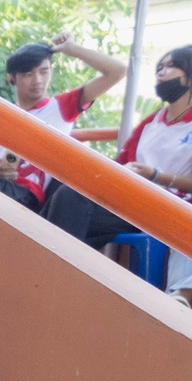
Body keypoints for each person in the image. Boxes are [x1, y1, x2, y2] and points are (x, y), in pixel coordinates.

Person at [45, 46, 192, 296]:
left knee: (73, 200)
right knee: (63, 188)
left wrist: (154, 175)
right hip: (130, 200)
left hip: (168, 208)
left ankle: (54, 274)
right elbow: (120, 162)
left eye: (170, 67)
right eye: (159, 68)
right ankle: (46, 262)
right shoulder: (151, 122)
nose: (161, 74)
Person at [0, 33, 126, 211]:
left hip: (24, 195)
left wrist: (74, 50)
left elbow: (118, 71)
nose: (38, 80)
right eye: (28, 74)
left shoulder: (60, 107)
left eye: (44, 71)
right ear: (11, 78)